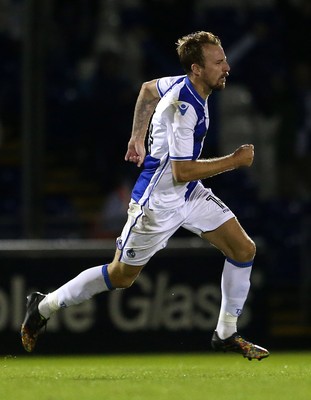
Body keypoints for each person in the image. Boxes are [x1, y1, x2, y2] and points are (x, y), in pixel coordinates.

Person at [21, 31, 269, 361]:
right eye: (219, 61)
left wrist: (136, 137)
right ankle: (44, 305)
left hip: (187, 194)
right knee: (121, 275)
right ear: (196, 68)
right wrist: (235, 161)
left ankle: (225, 332)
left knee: (243, 248)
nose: (227, 66)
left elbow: (147, 89)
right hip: (157, 203)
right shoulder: (184, 109)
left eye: (224, 59)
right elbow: (181, 171)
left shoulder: (183, 84)